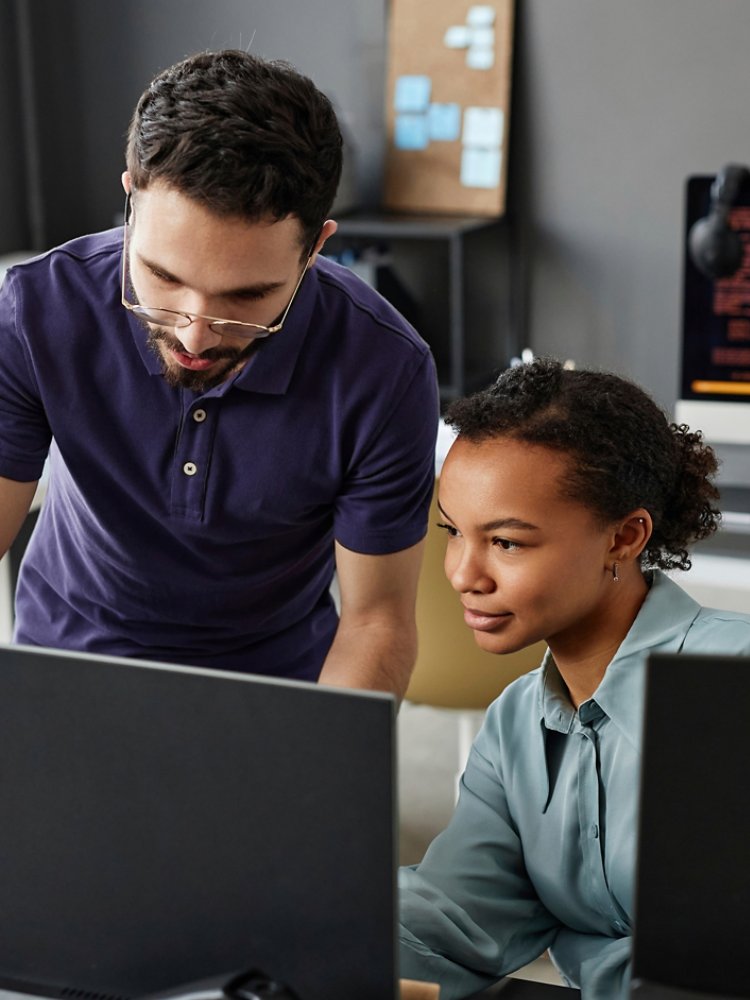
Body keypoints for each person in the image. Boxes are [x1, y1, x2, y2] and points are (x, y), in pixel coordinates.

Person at [0, 50, 439, 693]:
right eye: (162, 278)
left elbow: (376, 623)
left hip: (277, 691)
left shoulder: (386, 371)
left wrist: (334, 756)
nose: (194, 332)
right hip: (67, 664)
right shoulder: (36, 310)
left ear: (316, 247)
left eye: (246, 297)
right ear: (131, 198)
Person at [398, 357, 750, 998]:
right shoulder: (515, 723)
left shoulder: (731, 685)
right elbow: (456, 919)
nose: (461, 574)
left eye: (506, 542)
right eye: (454, 533)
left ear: (625, 536)